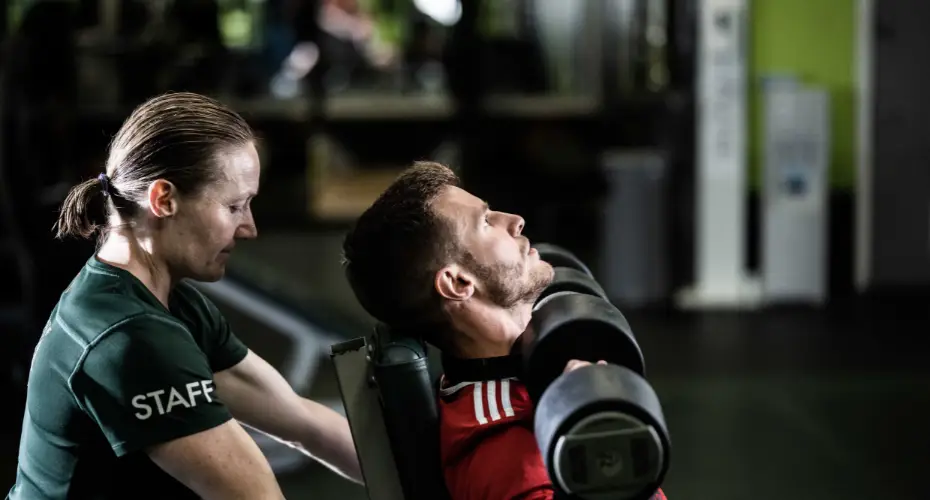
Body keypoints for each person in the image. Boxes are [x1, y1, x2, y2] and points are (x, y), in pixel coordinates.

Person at [8, 92, 362, 500]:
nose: (249, 228)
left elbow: (306, 425)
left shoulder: (169, 305)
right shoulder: (130, 337)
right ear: (164, 199)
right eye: (234, 206)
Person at [342, 162, 666, 500]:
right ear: (458, 282)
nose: (514, 220)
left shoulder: (524, 377)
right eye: (485, 221)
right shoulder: (508, 453)